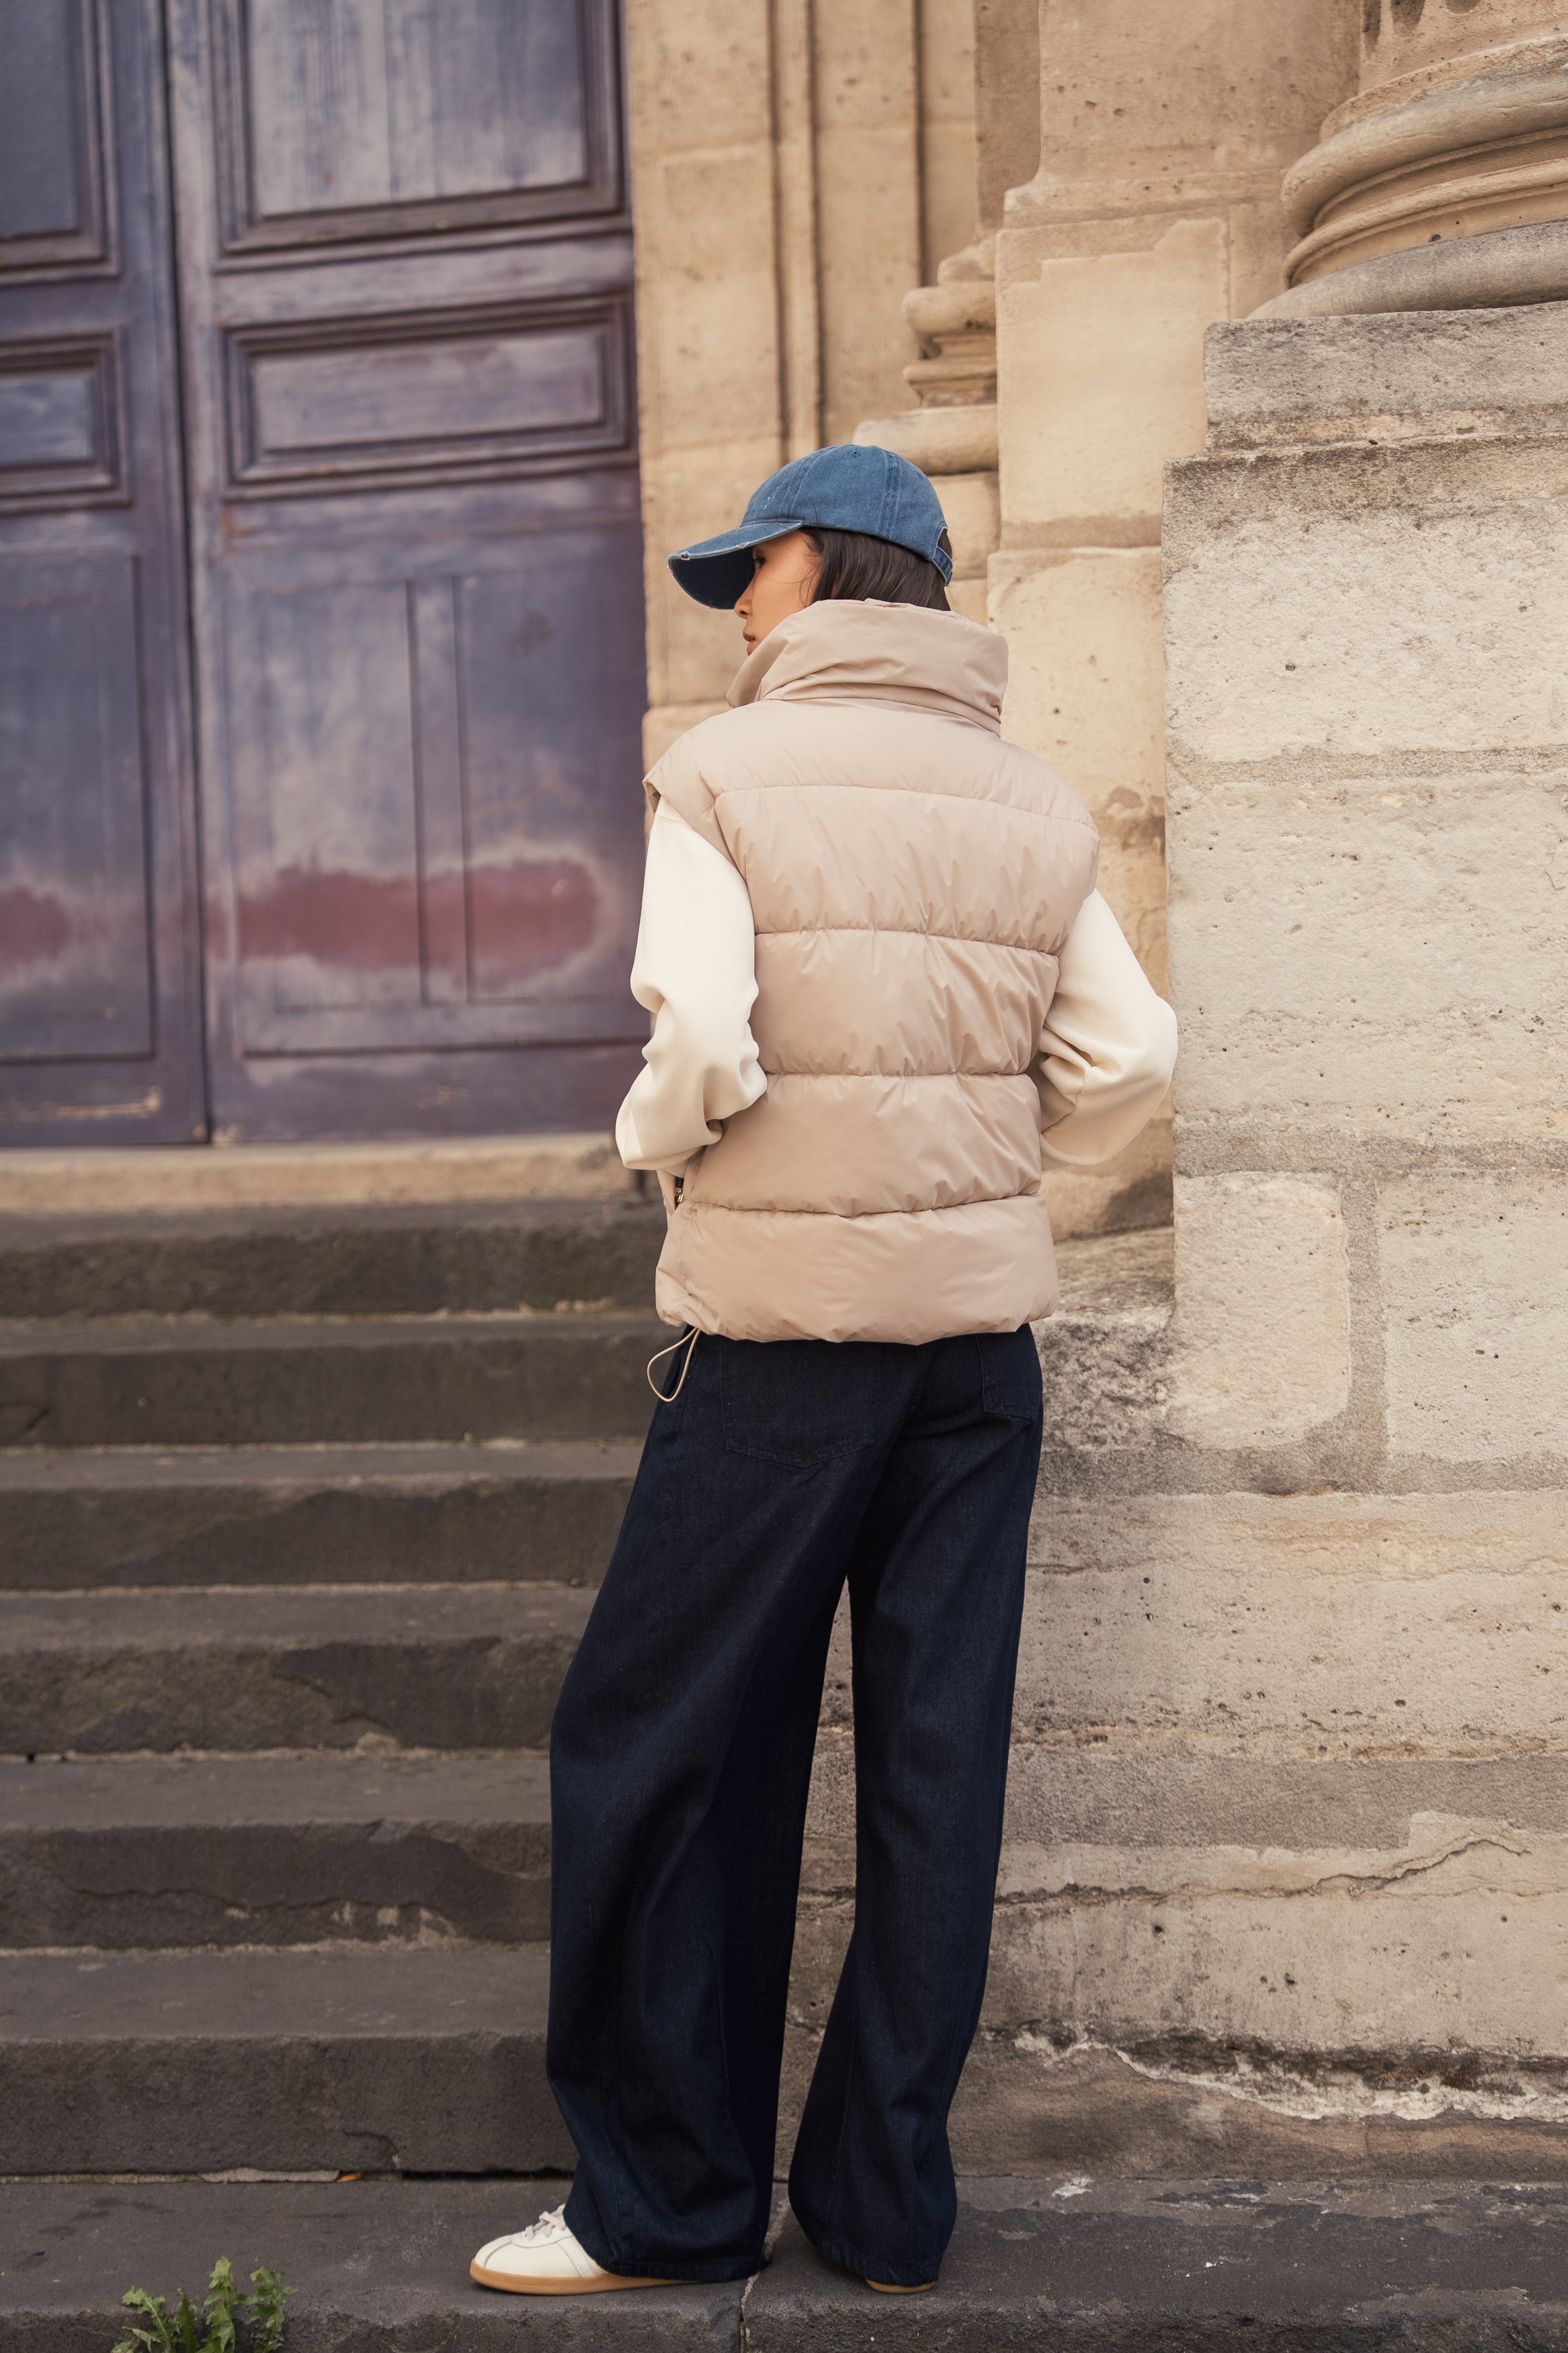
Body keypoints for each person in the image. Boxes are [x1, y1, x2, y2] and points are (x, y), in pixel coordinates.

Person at [470, 444, 1176, 2298]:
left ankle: (667, 2204)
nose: (739, 615)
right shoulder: (1031, 798)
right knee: (936, 1762)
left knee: (658, 1742)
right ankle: (879, 2208)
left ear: (811, 565)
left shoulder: (721, 770)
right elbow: (1130, 1054)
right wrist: (972, 1160)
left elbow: (700, 1024)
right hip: (974, 1361)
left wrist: (665, 1142)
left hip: (782, 1347)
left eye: (750, 578)